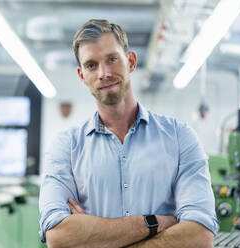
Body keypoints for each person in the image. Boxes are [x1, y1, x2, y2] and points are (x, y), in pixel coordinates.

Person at [39, 19, 219, 248]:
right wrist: (153, 224)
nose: (103, 73)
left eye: (112, 59)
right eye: (91, 65)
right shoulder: (66, 147)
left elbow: (200, 235)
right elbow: (58, 236)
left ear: (131, 61)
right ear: (82, 75)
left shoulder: (180, 138)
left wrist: (92, 236)